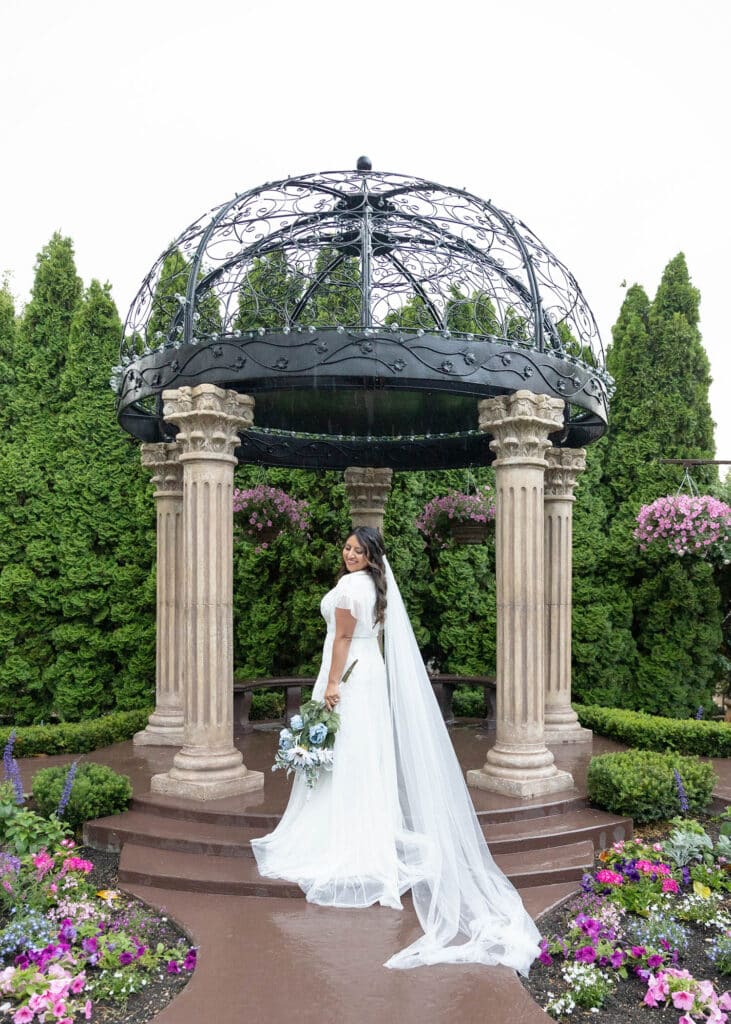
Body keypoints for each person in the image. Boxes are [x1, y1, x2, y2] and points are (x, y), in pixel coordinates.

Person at [251, 527, 541, 973]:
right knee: (363, 754)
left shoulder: (352, 586)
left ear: (370, 556)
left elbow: (343, 639)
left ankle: (343, 833)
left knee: (345, 753)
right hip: (369, 673)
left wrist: (330, 685)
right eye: (346, 547)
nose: (348, 554)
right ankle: (372, 825)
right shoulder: (377, 585)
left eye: (357, 550)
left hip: (347, 674)